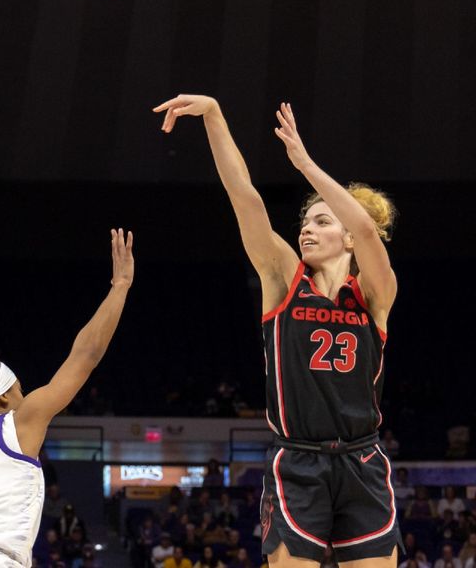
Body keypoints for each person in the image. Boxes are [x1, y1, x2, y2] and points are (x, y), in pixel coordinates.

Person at [155, 95, 400, 566]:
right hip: (297, 461)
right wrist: (214, 116)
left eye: (322, 221)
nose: (306, 230)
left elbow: (367, 231)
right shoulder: (285, 279)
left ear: (346, 237)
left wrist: (304, 163)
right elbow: (244, 197)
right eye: (305, 221)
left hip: (363, 460)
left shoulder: (374, 294)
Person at [0, 229, 134, 567]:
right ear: (0, 400)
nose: (26, 395)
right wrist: (120, 288)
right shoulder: (16, 422)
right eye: (19, 389)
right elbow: (85, 355)